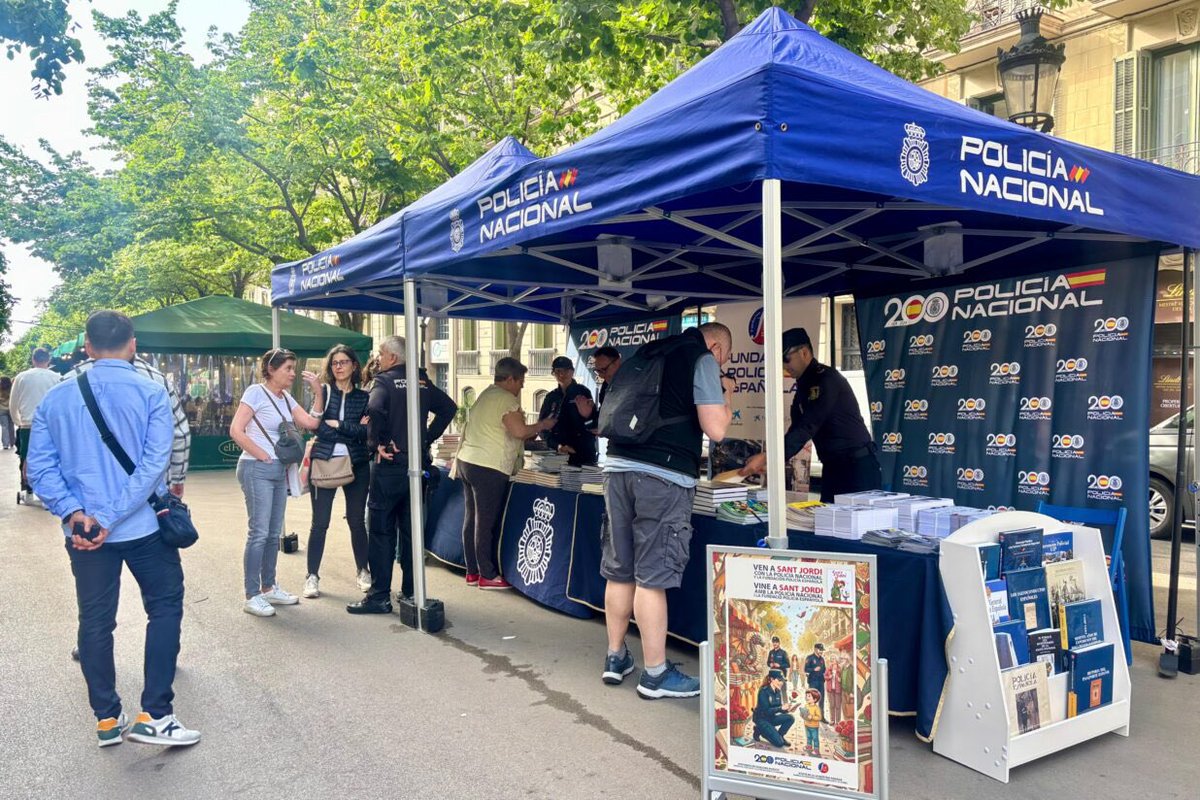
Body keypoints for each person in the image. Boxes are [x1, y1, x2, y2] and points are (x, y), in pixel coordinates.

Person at [27, 310, 200, 747]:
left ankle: (106, 718)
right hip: (142, 527)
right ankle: (156, 714)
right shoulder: (151, 392)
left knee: (95, 620)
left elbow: (39, 468)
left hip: (83, 533)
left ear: (86, 346)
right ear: (133, 344)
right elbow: (153, 465)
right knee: (163, 608)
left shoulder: (57, 398)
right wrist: (112, 515)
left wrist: (75, 513)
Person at [600, 323, 735, 699]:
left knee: (620, 568)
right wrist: (727, 396)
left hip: (617, 469)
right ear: (717, 348)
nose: (721, 363)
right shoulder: (701, 358)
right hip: (663, 475)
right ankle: (656, 674)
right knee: (651, 576)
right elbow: (717, 429)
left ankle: (616, 657)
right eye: (723, 357)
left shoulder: (648, 353)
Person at [347, 336, 456, 614]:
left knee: (382, 531)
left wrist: (376, 444)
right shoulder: (422, 382)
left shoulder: (383, 381)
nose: (379, 359)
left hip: (390, 467)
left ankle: (379, 596)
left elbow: (373, 408)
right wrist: (426, 438)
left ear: (393, 358)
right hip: (416, 466)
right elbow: (449, 408)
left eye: (382, 354)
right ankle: (410, 592)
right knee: (411, 532)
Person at [229, 347, 325, 617]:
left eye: (294, 369)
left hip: (277, 471)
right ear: (271, 370)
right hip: (256, 468)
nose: (293, 374)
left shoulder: (286, 398)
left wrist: (318, 393)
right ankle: (252, 594)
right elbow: (236, 430)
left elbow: (310, 423)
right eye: (288, 369)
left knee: (273, 534)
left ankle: (269, 587)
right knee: (258, 533)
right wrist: (263, 456)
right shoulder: (255, 393)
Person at [739, 327, 880, 502]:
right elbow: (796, 430)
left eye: (786, 359)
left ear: (804, 352)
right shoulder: (804, 386)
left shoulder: (825, 379)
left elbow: (807, 426)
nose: (784, 366)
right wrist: (771, 461)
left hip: (857, 469)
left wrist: (769, 457)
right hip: (833, 467)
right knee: (827, 525)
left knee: (860, 526)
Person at [453, 357, 554, 590]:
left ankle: (472, 571)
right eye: (520, 382)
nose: (522, 387)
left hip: (468, 460)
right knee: (485, 522)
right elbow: (519, 432)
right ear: (509, 379)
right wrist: (542, 425)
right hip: (489, 466)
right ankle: (487, 575)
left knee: (472, 517)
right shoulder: (507, 400)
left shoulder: (485, 394)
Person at [64, 355, 191, 498]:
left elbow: (46, 453)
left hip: (86, 497)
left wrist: (66, 504)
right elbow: (180, 434)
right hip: (150, 495)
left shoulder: (67, 381)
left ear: (88, 345)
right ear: (132, 343)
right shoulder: (157, 380)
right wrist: (177, 479)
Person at [304, 344, 372, 599]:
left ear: (354, 365)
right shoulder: (323, 392)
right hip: (324, 462)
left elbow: (367, 433)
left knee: (356, 521)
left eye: (344, 362)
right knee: (319, 523)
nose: (339, 366)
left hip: (356, 465)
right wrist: (348, 429)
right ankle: (312, 576)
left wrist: (339, 424)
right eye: (335, 363)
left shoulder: (364, 398)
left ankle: (363, 571)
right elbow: (315, 427)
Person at [11, 347, 61, 495]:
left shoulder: (21, 377)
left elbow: (13, 404)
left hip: (27, 425)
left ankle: (28, 490)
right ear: (49, 360)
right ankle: (50, 491)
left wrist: (18, 422)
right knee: (50, 458)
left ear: (33, 360)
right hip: (50, 426)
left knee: (26, 458)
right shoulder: (56, 377)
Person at [537, 356, 596, 466]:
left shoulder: (583, 392)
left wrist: (587, 419)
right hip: (558, 454)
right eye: (557, 371)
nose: (561, 374)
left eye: (565, 371)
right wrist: (557, 446)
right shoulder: (551, 397)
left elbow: (593, 422)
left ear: (572, 372)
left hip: (583, 453)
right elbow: (541, 427)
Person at [578, 345, 621, 433]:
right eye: (598, 371)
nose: (601, 375)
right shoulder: (606, 385)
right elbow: (599, 421)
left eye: (604, 370)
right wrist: (588, 414)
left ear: (617, 362)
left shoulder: (635, 384)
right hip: (615, 444)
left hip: (639, 444)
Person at [752, 670, 797, 749]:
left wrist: (787, 709)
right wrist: (780, 708)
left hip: (771, 718)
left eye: (782, 680)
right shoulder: (763, 691)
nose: (781, 682)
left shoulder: (777, 691)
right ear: (772, 679)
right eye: (779, 680)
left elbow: (778, 708)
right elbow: (766, 711)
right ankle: (759, 729)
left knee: (790, 718)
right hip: (762, 719)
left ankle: (780, 736)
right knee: (779, 744)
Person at [803, 642, 827, 721]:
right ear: (815, 649)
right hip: (813, 681)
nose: (821, 652)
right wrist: (814, 669)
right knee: (812, 700)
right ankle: (811, 717)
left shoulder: (822, 659)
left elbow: (824, 669)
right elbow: (805, 669)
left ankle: (821, 717)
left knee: (821, 699)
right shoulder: (809, 658)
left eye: (822, 650)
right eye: (820, 650)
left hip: (821, 682)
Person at [802, 688, 823, 755]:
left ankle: (816, 749)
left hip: (814, 726)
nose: (806, 697)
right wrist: (802, 714)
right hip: (807, 725)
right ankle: (809, 746)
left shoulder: (816, 708)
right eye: (806, 696)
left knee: (815, 738)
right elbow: (805, 714)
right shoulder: (806, 705)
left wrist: (812, 717)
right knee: (808, 737)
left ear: (815, 699)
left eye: (809, 696)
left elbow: (819, 717)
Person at [826, 653, 842, 725]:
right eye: (832, 660)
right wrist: (828, 677)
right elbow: (824, 676)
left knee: (838, 705)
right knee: (831, 705)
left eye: (834, 659)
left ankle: (838, 721)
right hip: (830, 690)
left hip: (838, 690)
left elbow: (842, 679)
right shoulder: (828, 669)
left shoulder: (840, 670)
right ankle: (832, 720)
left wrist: (840, 679)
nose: (833, 661)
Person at [0, 376, 13, 449]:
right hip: (11, 409)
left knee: (4, 427)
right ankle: (12, 442)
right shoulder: (12, 389)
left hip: (1, 410)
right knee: (11, 426)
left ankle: (5, 444)